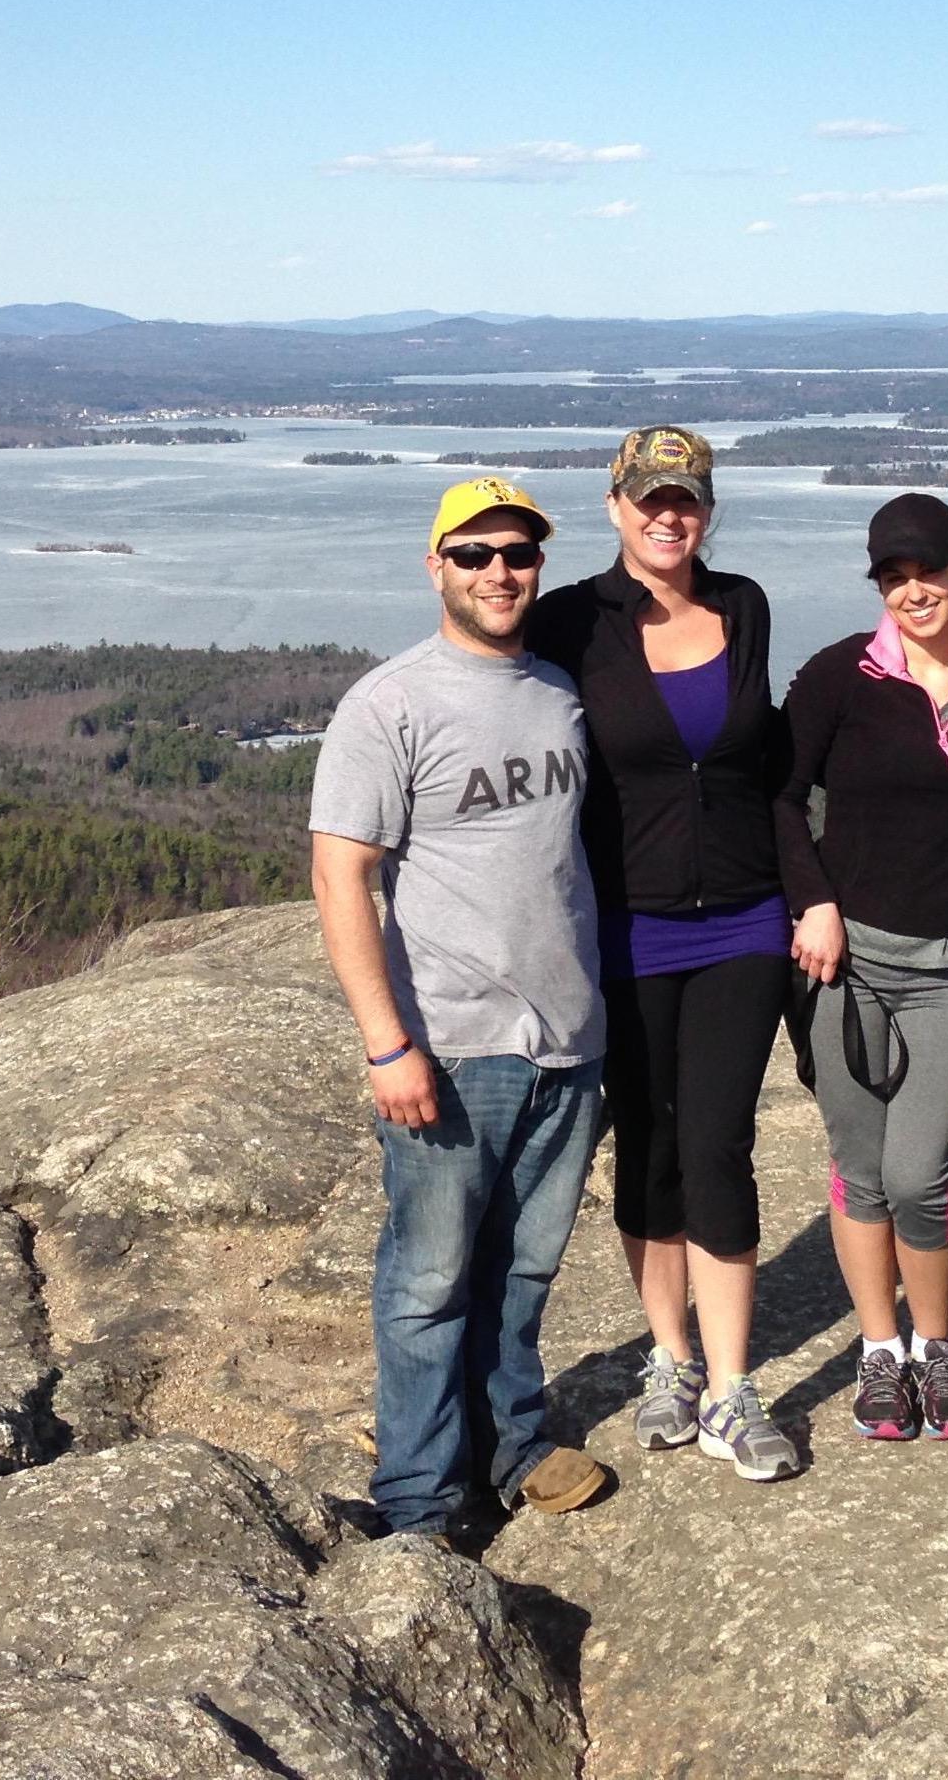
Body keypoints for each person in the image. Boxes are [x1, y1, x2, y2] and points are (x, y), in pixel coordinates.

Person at [308, 475, 611, 1542]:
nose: (499, 572)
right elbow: (342, 875)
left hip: (569, 1036)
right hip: (452, 1038)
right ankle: (420, 1498)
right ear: (433, 564)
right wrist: (389, 1044)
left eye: (517, 554)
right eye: (474, 554)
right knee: (429, 1280)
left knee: (524, 1267)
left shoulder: (559, 692)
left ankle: (514, 1444)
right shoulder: (389, 704)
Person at [526, 426, 801, 1482]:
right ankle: (671, 1359)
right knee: (647, 1141)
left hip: (742, 921)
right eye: (649, 497)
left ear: (708, 508)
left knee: (721, 1140)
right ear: (615, 504)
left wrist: (805, 895)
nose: (667, 515)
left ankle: (733, 1389)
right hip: (626, 926)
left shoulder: (744, 606)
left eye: (685, 499)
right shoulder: (570, 621)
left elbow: (763, 763)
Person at [777, 492, 948, 1442]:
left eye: (928, 570)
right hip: (842, 960)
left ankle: (937, 1345)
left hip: (945, 960)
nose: (912, 589)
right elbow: (781, 797)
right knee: (862, 1167)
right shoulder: (842, 675)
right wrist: (814, 902)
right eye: (892, 575)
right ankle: (882, 1354)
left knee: (921, 1173)